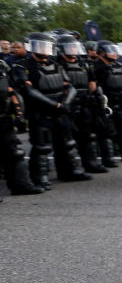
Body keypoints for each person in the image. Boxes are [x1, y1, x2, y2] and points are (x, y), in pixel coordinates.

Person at [11, 32, 92, 188]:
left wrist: (66, 103)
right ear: (31, 47)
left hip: (61, 110)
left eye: (46, 46)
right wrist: (55, 105)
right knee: (42, 147)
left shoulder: (56, 64)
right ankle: (40, 177)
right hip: (40, 112)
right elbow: (29, 91)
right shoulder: (22, 66)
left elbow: (69, 86)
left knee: (67, 143)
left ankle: (71, 171)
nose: (43, 49)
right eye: (39, 45)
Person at [55, 34, 108, 173]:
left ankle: (91, 163)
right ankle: (68, 170)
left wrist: (93, 98)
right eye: (69, 47)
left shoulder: (84, 63)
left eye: (74, 46)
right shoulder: (57, 64)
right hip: (67, 105)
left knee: (88, 135)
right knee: (66, 140)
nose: (73, 49)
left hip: (84, 103)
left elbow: (92, 82)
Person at [0, 57, 43, 195]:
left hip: (3, 117)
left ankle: (21, 185)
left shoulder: (2, 66)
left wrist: (19, 113)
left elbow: (11, 90)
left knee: (15, 152)